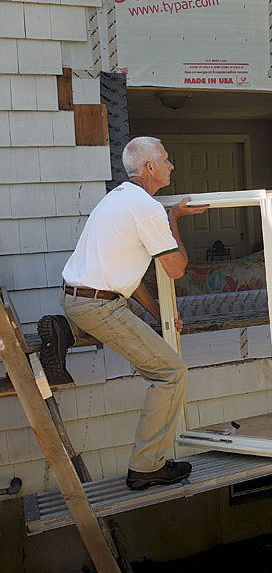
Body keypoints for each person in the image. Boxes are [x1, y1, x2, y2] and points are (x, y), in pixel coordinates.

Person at [53, 136, 209, 489]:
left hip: (75, 297)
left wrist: (157, 314)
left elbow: (130, 275)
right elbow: (176, 268)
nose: (171, 165)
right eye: (166, 160)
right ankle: (146, 467)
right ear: (150, 168)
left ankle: (70, 331)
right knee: (170, 373)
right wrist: (174, 218)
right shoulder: (147, 208)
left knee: (126, 327)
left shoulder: (118, 197)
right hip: (99, 305)